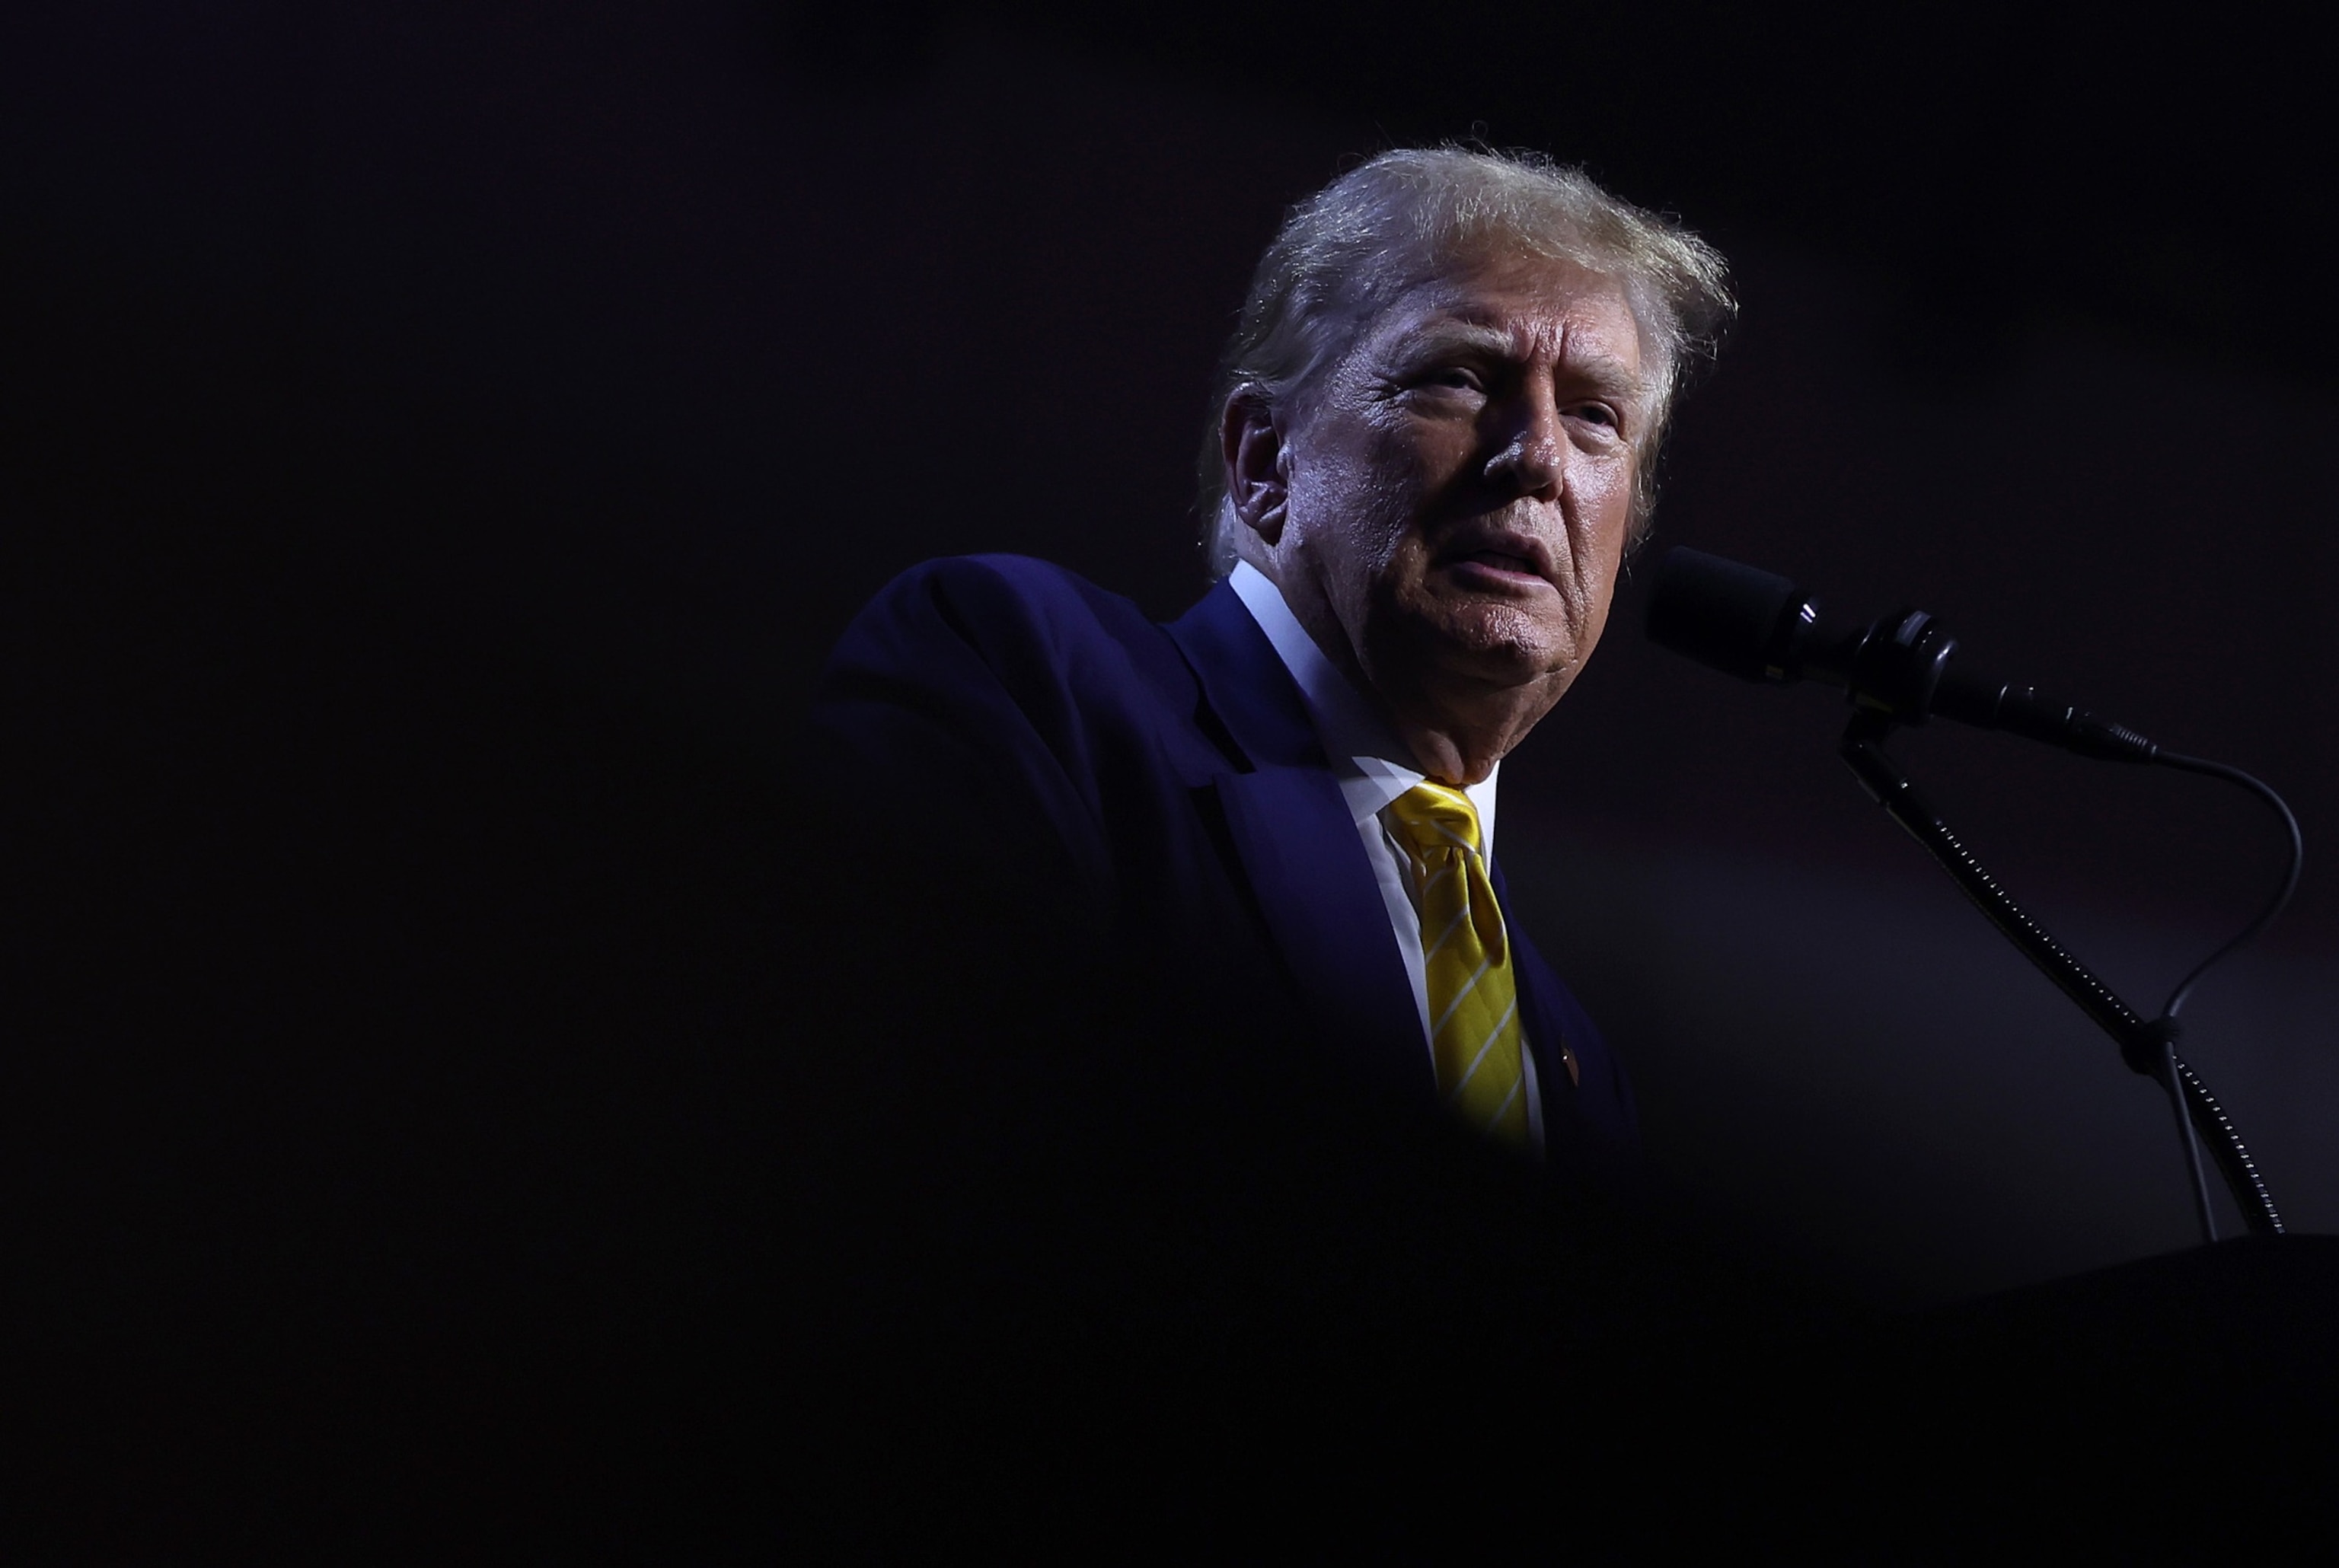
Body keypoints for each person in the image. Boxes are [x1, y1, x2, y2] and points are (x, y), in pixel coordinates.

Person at [799, 148, 1738, 1531]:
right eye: (1458, 377)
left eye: (1596, 417)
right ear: (1263, 458)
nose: (1535, 454)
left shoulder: (1575, 1060)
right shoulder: (1034, 678)